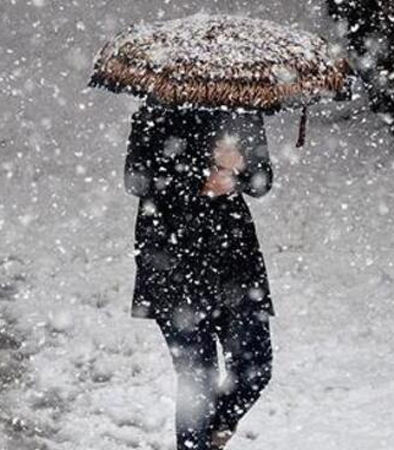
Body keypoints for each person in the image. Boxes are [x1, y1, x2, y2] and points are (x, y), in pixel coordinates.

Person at [124, 99, 274, 450]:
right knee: (198, 381)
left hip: (235, 262)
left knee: (256, 364)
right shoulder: (156, 110)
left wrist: (240, 170)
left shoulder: (241, 108)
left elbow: (262, 181)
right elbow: (137, 179)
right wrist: (202, 174)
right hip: (172, 261)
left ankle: (214, 430)